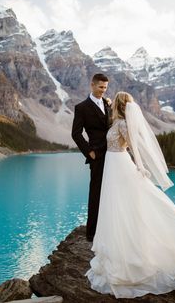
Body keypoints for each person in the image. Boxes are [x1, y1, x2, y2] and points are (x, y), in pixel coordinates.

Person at [85, 91, 175, 298]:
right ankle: (116, 249)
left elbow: (135, 147)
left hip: (121, 166)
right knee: (115, 206)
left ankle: (132, 254)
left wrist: (140, 167)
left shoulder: (123, 125)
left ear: (118, 105)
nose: (112, 104)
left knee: (126, 205)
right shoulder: (117, 123)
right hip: (112, 167)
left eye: (114, 101)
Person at [71, 73, 112, 242]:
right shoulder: (82, 107)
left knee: (112, 191)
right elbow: (76, 133)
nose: (103, 91)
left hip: (113, 154)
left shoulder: (108, 104)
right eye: (100, 87)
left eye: (105, 88)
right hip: (97, 156)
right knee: (95, 193)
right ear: (92, 85)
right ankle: (92, 233)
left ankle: (109, 228)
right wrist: (89, 151)